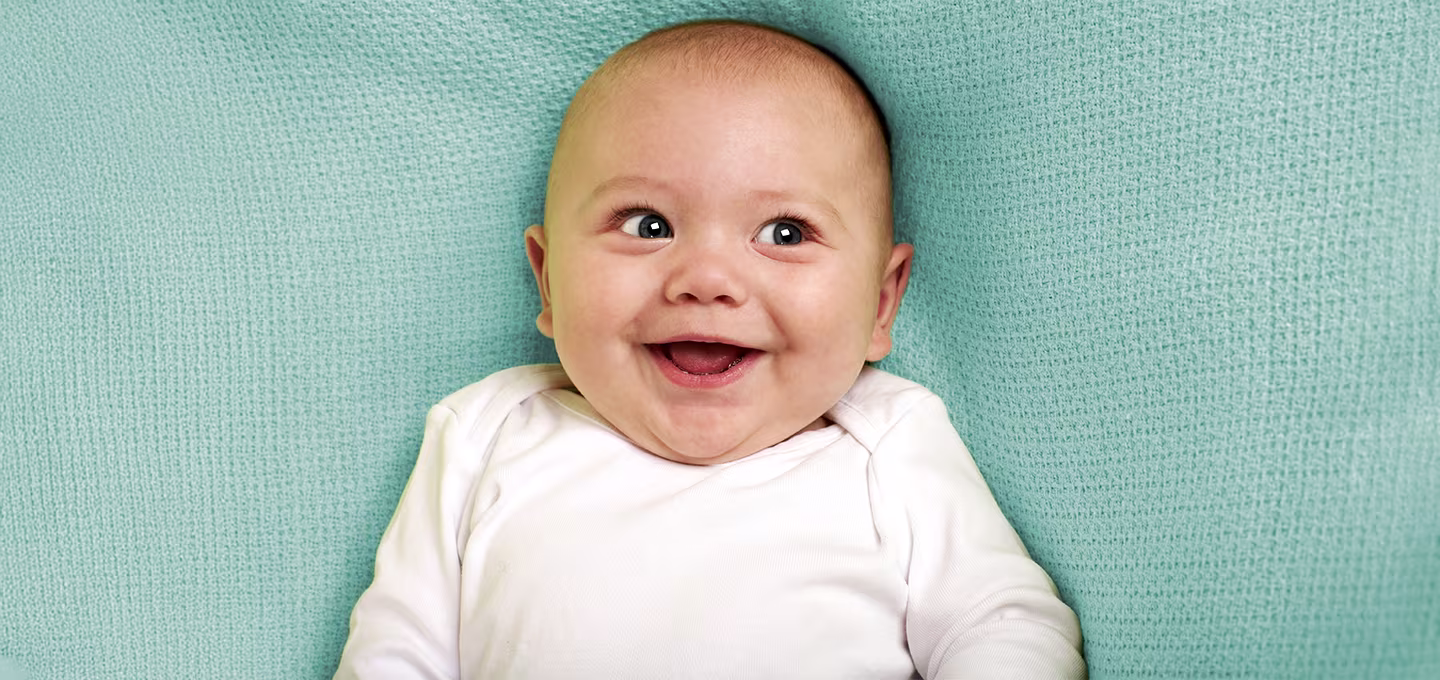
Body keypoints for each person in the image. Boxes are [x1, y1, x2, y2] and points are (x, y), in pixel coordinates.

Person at [335, 19, 1085, 679]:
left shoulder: (889, 438)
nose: (706, 281)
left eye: (785, 234)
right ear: (549, 281)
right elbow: (396, 650)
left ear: (881, 303)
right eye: (647, 225)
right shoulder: (485, 430)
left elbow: (1003, 624)